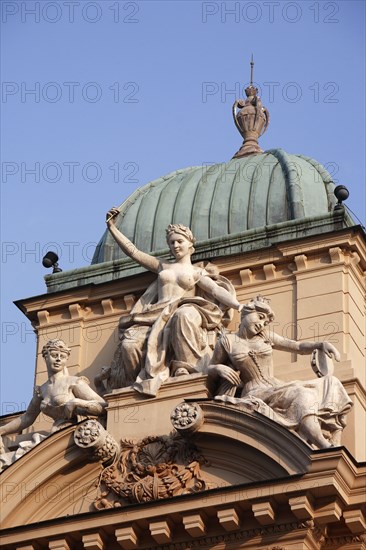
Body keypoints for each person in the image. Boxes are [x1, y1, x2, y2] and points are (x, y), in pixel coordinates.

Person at [105, 208, 243, 396]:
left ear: (190, 245)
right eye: (172, 242)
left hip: (181, 308)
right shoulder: (163, 266)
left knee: (182, 315)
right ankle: (130, 388)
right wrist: (112, 228)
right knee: (130, 344)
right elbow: (134, 252)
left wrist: (238, 305)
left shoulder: (196, 272)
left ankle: (185, 367)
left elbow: (216, 290)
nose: (175, 246)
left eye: (180, 241)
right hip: (155, 314)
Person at [207, 296, 353, 449]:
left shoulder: (265, 336)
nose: (261, 324)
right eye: (260, 317)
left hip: (276, 386)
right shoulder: (227, 341)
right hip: (255, 391)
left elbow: (296, 346)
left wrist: (320, 344)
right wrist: (218, 368)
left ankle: (334, 436)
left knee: (331, 382)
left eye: (265, 322)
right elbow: (210, 368)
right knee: (303, 394)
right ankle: (323, 444)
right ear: (246, 313)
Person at [0, 339, 107, 455]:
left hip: (77, 435)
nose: (58, 359)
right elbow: (27, 418)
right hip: (55, 435)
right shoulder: (41, 390)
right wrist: (2, 430)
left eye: (63, 356)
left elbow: (102, 406)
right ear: (45, 357)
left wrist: (77, 402)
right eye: (54, 355)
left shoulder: (74, 382)